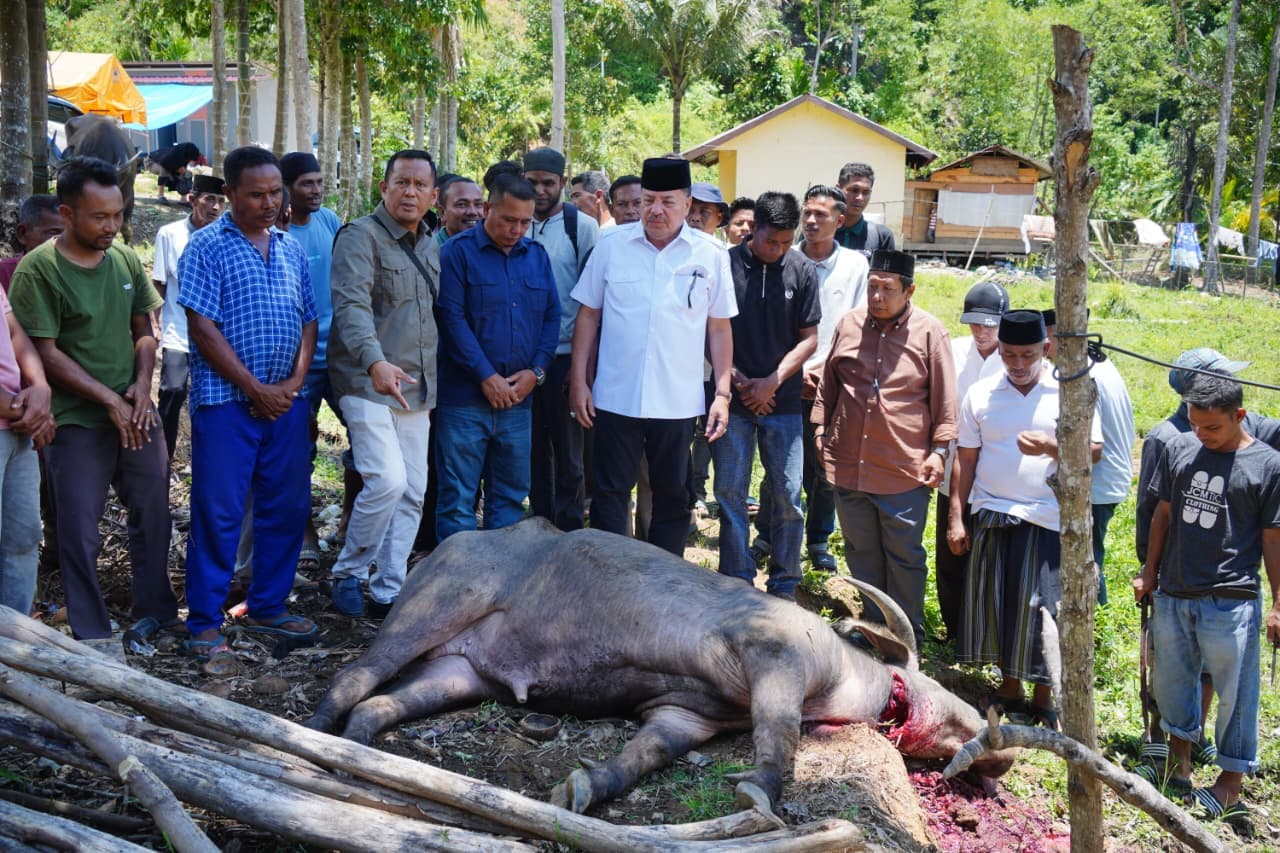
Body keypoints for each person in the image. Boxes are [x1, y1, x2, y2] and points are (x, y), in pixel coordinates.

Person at [10, 157, 177, 651]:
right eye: (99, 217)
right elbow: (45, 352)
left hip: (134, 412)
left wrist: (141, 388)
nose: (112, 226)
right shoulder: (38, 270)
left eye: (118, 214)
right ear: (66, 213)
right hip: (76, 420)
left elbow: (143, 331)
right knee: (78, 528)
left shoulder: (124, 259)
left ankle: (156, 612)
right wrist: (107, 400)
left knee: (153, 512)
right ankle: (92, 631)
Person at [178, 146, 319, 675]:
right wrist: (254, 388)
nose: (268, 202)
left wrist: (294, 382)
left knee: (286, 505)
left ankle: (267, 607)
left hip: (286, 401)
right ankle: (205, 623)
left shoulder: (290, 249)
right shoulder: (206, 248)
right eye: (256, 194)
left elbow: (309, 319)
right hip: (226, 404)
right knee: (219, 511)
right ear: (230, 193)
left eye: (274, 193)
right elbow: (202, 328)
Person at [569, 157, 736, 556]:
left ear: (687, 203)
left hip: (677, 400)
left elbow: (719, 327)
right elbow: (588, 316)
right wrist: (579, 381)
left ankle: (665, 581)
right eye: (648, 200)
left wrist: (723, 394)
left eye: (667, 201)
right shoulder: (611, 246)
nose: (655, 210)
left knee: (673, 495)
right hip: (615, 396)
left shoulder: (711, 254)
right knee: (609, 493)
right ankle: (611, 578)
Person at [1133, 371, 1280, 826]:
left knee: (1236, 693)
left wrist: (1278, 603)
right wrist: (1150, 572)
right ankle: (1179, 766)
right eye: (1195, 424)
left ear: (1239, 415)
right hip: (1175, 591)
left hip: (1229, 598)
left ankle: (1229, 784)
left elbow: (1274, 538)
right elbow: (1162, 515)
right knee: (1173, 683)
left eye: (1212, 427)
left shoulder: (1268, 465)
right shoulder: (1180, 448)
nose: (1202, 434)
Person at [949, 310, 1101, 728]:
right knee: (1000, 603)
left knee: (1042, 608)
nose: (1017, 364)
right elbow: (966, 458)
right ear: (999, 350)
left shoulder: (1069, 391)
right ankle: (1009, 688)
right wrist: (956, 517)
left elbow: (1096, 449)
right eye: (1009, 354)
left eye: (1027, 355)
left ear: (1046, 349)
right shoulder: (981, 394)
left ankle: (1044, 695)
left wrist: (1054, 447)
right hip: (994, 511)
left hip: (1048, 516)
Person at [810, 249, 955, 645]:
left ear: (909, 290)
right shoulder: (849, 324)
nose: (876, 296)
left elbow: (945, 401)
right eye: (872, 287)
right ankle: (874, 628)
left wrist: (939, 452)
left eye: (886, 289)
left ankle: (906, 635)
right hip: (849, 462)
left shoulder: (930, 332)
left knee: (905, 556)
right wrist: (821, 432)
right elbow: (829, 385)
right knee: (861, 551)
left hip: (902, 467)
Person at [326, 150, 439, 618]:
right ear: (384, 188)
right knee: (387, 480)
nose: (410, 192)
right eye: (401, 183)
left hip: (417, 385)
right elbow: (350, 308)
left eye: (419, 185)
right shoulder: (359, 236)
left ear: (433, 195)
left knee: (414, 488)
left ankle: (388, 588)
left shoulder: (433, 241)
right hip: (366, 381)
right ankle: (349, 572)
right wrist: (375, 362)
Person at [434, 174, 559, 540]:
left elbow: (552, 317)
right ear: (487, 209)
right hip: (464, 401)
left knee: (508, 500)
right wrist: (486, 377)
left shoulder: (537, 257)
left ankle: (497, 589)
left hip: (518, 403)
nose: (517, 229)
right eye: (509, 220)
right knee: (458, 501)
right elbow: (451, 320)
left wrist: (535, 372)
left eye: (525, 222)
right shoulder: (456, 254)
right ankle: (457, 589)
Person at [751, 185, 868, 573]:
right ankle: (767, 535)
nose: (813, 221)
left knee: (823, 466)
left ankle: (818, 540)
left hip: (832, 382)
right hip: (785, 379)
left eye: (823, 214)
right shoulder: (784, 254)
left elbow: (857, 325)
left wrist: (823, 369)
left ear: (841, 218)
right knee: (779, 464)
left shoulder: (854, 266)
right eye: (809, 214)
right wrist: (791, 371)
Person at [714, 191, 818, 600]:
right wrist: (739, 380)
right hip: (732, 400)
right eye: (769, 240)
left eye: (785, 242)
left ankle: (785, 583)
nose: (777, 250)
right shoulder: (723, 265)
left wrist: (772, 381)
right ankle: (736, 579)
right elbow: (710, 328)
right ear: (751, 227)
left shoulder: (802, 270)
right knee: (729, 492)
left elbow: (810, 338)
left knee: (788, 494)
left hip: (783, 402)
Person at [523, 147, 599, 532]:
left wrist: (582, 369)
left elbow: (595, 302)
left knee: (569, 455)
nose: (539, 190)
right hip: (521, 361)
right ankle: (539, 525)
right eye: (532, 182)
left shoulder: (581, 228)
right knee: (533, 450)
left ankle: (569, 531)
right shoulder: (515, 221)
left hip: (567, 357)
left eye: (547, 183)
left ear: (563, 184)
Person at [277, 152, 344, 571]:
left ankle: (351, 520)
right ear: (286, 188)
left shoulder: (331, 223)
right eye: (306, 184)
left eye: (319, 182)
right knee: (299, 448)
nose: (316, 190)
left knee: (365, 436)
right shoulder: (276, 233)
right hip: (295, 362)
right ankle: (305, 533)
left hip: (338, 355)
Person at [934, 280, 1008, 640]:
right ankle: (954, 630)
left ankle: (984, 636)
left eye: (989, 324)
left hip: (994, 477)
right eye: (974, 323)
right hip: (952, 470)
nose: (981, 331)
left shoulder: (1013, 358)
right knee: (950, 556)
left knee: (988, 561)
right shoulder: (955, 351)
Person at [0, 244, 57, 620]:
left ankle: (16, 645)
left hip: (17, 426)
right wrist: (26, 410)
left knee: (22, 539)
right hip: (15, 416)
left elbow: (16, 333)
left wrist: (40, 388)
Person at [152, 174, 225, 462]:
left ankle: (210, 465)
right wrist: (153, 324)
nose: (216, 207)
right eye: (209, 199)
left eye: (221, 201)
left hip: (218, 336)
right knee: (171, 391)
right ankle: (161, 461)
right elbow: (159, 283)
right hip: (178, 332)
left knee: (213, 403)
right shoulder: (170, 235)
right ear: (193, 200)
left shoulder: (228, 238)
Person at [0, 195, 63, 293]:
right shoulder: (4, 273)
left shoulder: (76, 275)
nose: (66, 241)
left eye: (71, 234)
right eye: (54, 233)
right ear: (22, 233)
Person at [834, 163, 895, 257]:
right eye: (854, 190)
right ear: (838, 189)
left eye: (866, 192)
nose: (860, 198)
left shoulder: (882, 236)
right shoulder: (819, 230)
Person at [435, 176, 484, 246]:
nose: (472, 212)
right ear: (442, 212)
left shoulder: (494, 248)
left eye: (478, 205)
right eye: (462, 204)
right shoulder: (428, 251)